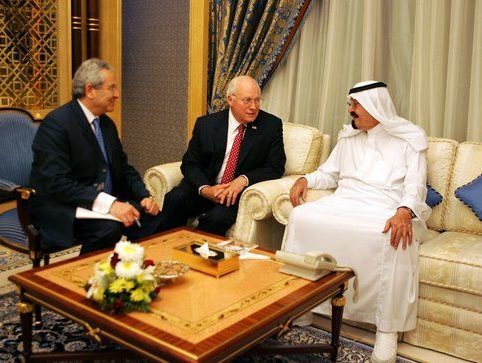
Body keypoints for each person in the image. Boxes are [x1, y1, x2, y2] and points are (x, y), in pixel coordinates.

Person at [284, 81, 431, 363]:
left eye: (355, 105)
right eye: (350, 105)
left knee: (394, 235)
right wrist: (306, 179)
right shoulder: (348, 137)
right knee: (301, 216)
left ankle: (386, 328)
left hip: (386, 208)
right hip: (344, 202)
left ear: (375, 106)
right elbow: (329, 173)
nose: (350, 111)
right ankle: (302, 306)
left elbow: (416, 186)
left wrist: (404, 211)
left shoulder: (410, 139)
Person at [29, 58, 161, 254]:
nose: (117, 95)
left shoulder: (106, 124)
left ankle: (130, 275)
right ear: (90, 90)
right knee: (107, 229)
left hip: (101, 202)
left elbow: (122, 168)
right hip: (64, 206)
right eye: (112, 88)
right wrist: (110, 205)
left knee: (153, 218)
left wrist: (143, 196)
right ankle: (88, 280)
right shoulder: (57, 124)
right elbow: (57, 182)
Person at [159, 75, 286, 235]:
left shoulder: (271, 126)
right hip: (206, 187)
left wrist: (242, 180)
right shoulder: (206, 124)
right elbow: (190, 163)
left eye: (257, 100)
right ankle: (164, 248)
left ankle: (194, 255)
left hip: (233, 195)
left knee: (216, 218)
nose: (254, 107)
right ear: (230, 100)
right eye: (247, 100)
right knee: (174, 198)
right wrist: (205, 189)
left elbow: (275, 167)